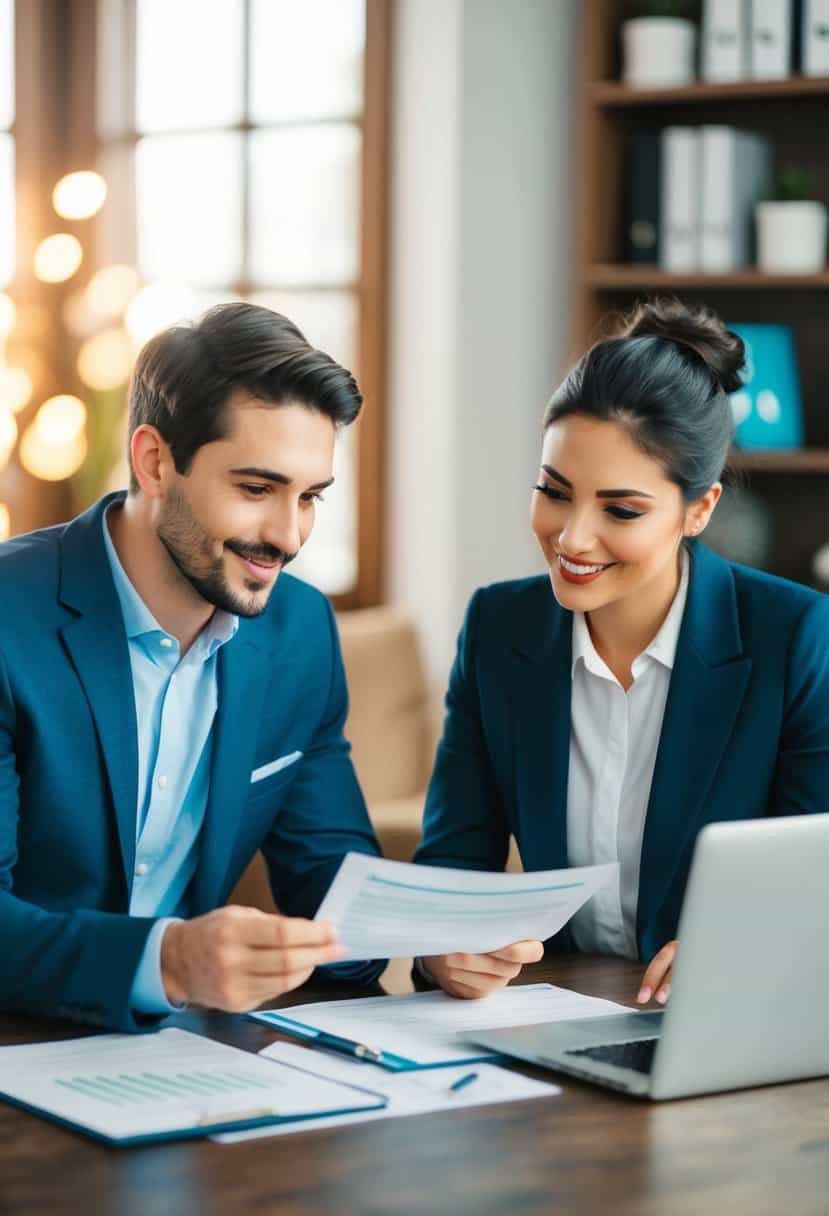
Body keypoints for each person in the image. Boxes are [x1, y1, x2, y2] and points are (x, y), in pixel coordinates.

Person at [414, 298, 829, 1004]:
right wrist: (441, 947)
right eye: (553, 492)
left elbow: (811, 882)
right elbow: (455, 855)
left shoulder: (793, 636)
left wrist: (737, 947)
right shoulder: (497, 628)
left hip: (726, 1015)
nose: (572, 538)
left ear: (698, 509)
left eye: (620, 510)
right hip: (556, 1016)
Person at [0, 302, 385, 1032]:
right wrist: (170, 960)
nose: (289, 536)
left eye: (310, 499)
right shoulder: (7, 619)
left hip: (190, 1060)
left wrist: (438, 944)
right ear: (154, 462)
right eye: (255, 489)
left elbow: (331, 875)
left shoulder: (298, 629)